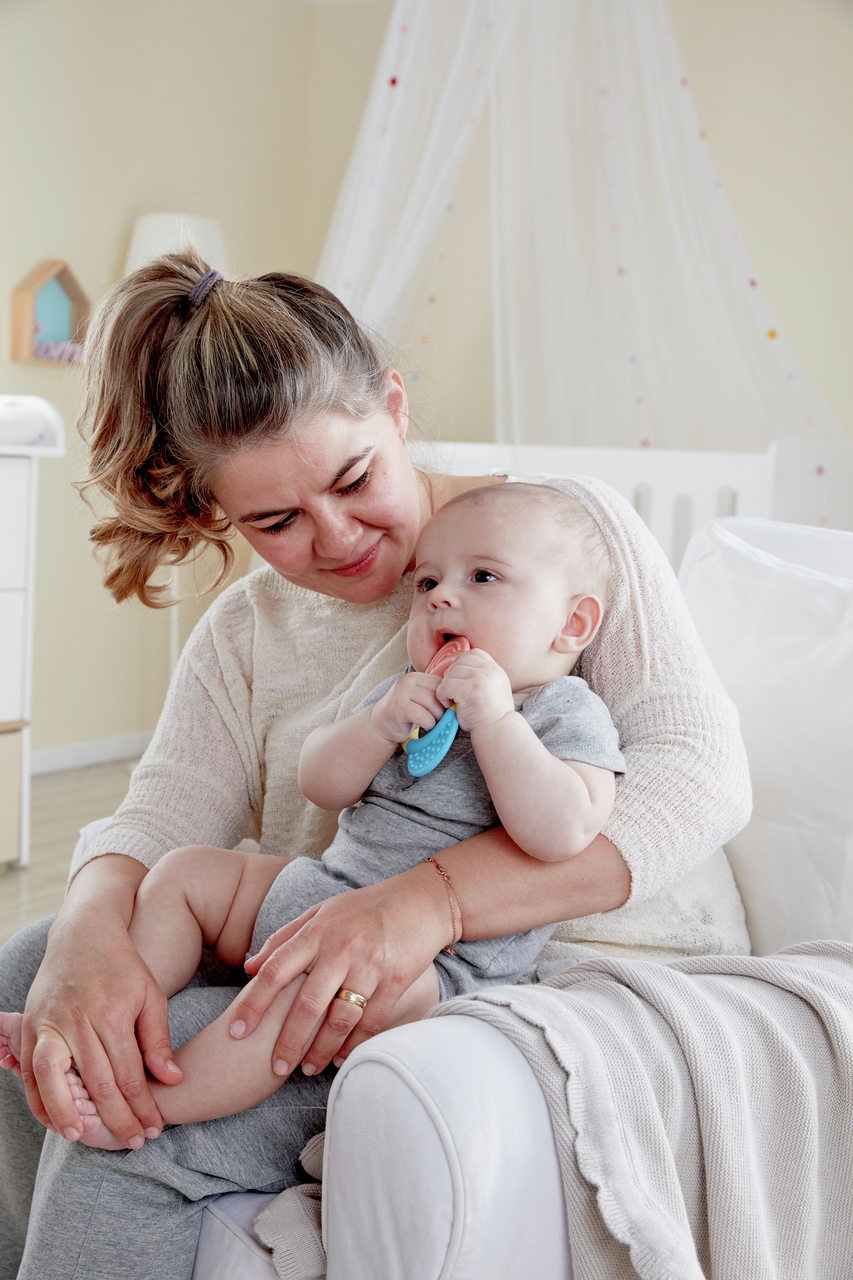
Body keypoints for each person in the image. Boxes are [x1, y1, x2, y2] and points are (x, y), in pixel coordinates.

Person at [0, 253, 751, 1280]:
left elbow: (701, 776)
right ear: (223, 512)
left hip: (557, 962)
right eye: (275, 521)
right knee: (33, 969)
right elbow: (161, 815)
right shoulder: (245, 630)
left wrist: (430, 901)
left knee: (129, 1117)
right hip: (331, 925)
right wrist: (88, 935)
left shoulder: (546, 542)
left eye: (354, 479)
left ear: (394, 409)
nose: (338, 535)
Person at [0, 482, 626, 1144]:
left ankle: (152, 1105)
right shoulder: (407, 693)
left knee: (297, 996)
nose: (441, 597)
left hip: (433, 967)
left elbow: (561, 833)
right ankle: (112, 1018)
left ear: (572, 624)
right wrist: (377, 724)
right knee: (183, 873)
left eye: (483, 578)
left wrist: (496, 720)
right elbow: (321, 784)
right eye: (427, 582)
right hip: (324, 891)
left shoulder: (564, 712)